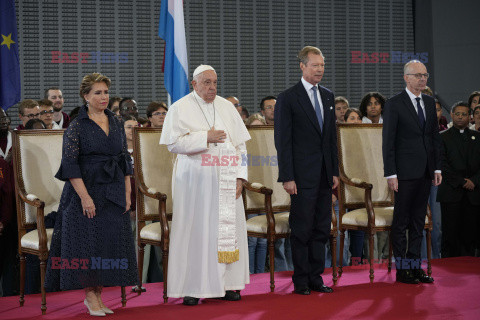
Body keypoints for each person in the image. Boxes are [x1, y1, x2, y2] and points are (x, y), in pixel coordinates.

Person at [45, 73, 138, 316]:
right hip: (84, 193)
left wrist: (127, 192)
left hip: (113, 191)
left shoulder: (116, 122)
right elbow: (70, 165)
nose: (103, 97)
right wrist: (85, 198)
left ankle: (98, 294)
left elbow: (124, 160)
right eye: (97, 92)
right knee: (89, 246)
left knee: (107, 245)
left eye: (106, 92)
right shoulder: (77, 125)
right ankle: (90, 296)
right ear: (85, 96)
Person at [160, 65, 250, 306]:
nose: (212, 87)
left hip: (228, 180)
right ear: (194, 84)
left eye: (215, 82)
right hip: (196, 183)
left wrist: (241, 177)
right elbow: (172, 144)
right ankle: (193, 286)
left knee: (227, 233)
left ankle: (228, 285)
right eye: (207, 82)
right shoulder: (179, 108)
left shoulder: (226, 106)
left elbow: (241, 147)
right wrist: (205, 138)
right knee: (197, 231)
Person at [274, 46, 338, 295]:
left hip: (324, 175)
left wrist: (334, 171)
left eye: (322, 65)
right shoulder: (288, 97)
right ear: (302, 66)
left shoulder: (329, 95)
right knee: (302, 228)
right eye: (315, 65)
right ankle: (300, 279)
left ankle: (315, 277)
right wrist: (287, 176)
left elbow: (331, 138)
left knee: (322, 228)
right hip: (300, 176)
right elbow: (283, 141)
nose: (320, 69)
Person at [382, 60, 441, 284]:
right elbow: (388, 142)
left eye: (425, 75)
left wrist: (436, 167)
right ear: (406, 78)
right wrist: (391, 173)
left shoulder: (428, 101)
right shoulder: (394, 103)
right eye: (417, 75)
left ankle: (415, 267)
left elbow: (434, 137)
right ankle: (403, 269)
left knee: (418, 221)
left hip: (426, 170)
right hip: (404, 173)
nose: (422, 79)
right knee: (401, 222)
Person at [437, 102, 480, 257]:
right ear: (452, 115)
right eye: (457, 114)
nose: (460, 117)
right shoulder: (442, 137)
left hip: (473, 193)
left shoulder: (478, 137)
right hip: (451, 191)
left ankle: (468, 267)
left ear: (470, 117)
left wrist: (474, 180)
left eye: (464, 114)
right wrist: (462, 181)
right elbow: (442, 164)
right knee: (450, 234)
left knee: (470, 234)